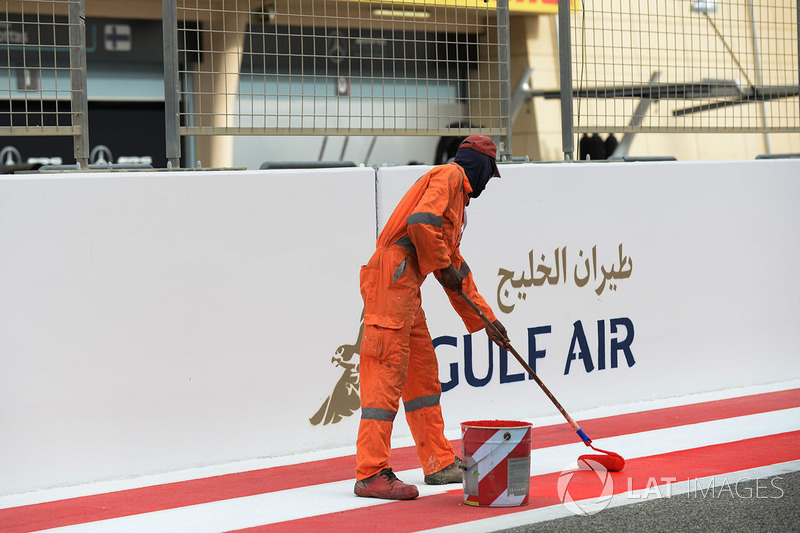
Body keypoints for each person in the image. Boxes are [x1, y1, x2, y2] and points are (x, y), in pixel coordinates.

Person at [354, 134, 510, 500]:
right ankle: (371, 471)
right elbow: (421, 225)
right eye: (491, 171)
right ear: (481, 166)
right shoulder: (450, 176)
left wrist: (487, 321)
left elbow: (454, 267)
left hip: (405, 285)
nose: (489, 180)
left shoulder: (457, 203)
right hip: (392, 279)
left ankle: (439, 462)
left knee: (423, 377)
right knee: (386, 375)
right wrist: (442, 267)